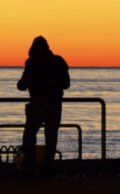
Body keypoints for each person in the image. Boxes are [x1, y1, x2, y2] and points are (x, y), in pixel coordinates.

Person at [17, 36, 70, 177]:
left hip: (36, 105)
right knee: (51, 138)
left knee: (29, 136)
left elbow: (21, 85)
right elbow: (66, 84)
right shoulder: (59, 61)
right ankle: (48, 168)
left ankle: (30, 166)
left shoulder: (31, 63)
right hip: (54, 105)